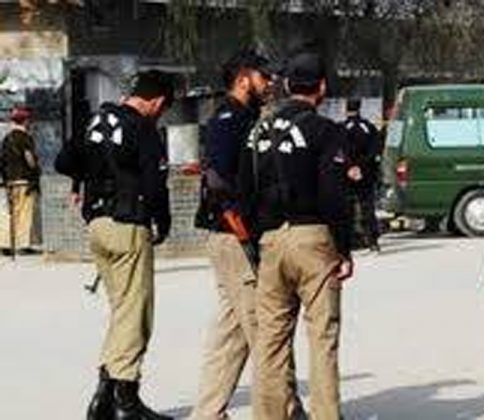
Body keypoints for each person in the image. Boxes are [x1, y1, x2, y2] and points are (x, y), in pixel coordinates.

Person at [191, 48, 305, 420]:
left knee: (232, 333)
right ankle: (286, 410)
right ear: (243, 79)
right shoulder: (230, 119)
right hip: (235, 237)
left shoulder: (245, 117)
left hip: (233, 237)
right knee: (267, 330)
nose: (269, 83)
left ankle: (207, 413)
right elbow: (218, 181)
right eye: (263, 76)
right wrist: (242, 232)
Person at [55, 70, 175, 420]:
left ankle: (104, 398)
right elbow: (154, 184)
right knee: (136, 314)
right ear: (156, 101)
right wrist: (162, 221)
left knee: (121, 310)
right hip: (128, 226)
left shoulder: (95, 122)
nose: (160, 114)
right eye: (162, 108)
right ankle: (126, 399)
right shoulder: (143, 129)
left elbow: (63, 161)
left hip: (97, 226)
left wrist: (86, 177)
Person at [250, 52, 354, 420]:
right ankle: (326, 414)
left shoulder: (259, 131)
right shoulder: (326, 130)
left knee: (271, 338)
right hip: (313, 237)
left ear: (287, 85)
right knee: (322, 335)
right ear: (322, 87)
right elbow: (334, 194)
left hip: (270, 239)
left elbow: (246, 189)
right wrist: (344, 248)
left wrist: (256, 241)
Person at [0, 105, 41, 255]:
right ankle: (22, 244)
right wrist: (35, 170)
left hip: (9, 181)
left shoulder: (6, 139)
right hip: (24, 180)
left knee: (10, 213)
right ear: (26, 121)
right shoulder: (25, 137)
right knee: (24, 213)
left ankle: (5, 243)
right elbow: (29, 158)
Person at [343, 98, 382, 252]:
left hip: (347, 174)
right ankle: (372, 240)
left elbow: (340, 151)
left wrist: (351, 166)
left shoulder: (342, 128)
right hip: (367, 173)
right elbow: (375, 150)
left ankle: (351, 240)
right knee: (368, 206)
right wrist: (363, 167)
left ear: (346, 109)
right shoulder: (369, 127)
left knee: (348, 207)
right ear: (360, 108)